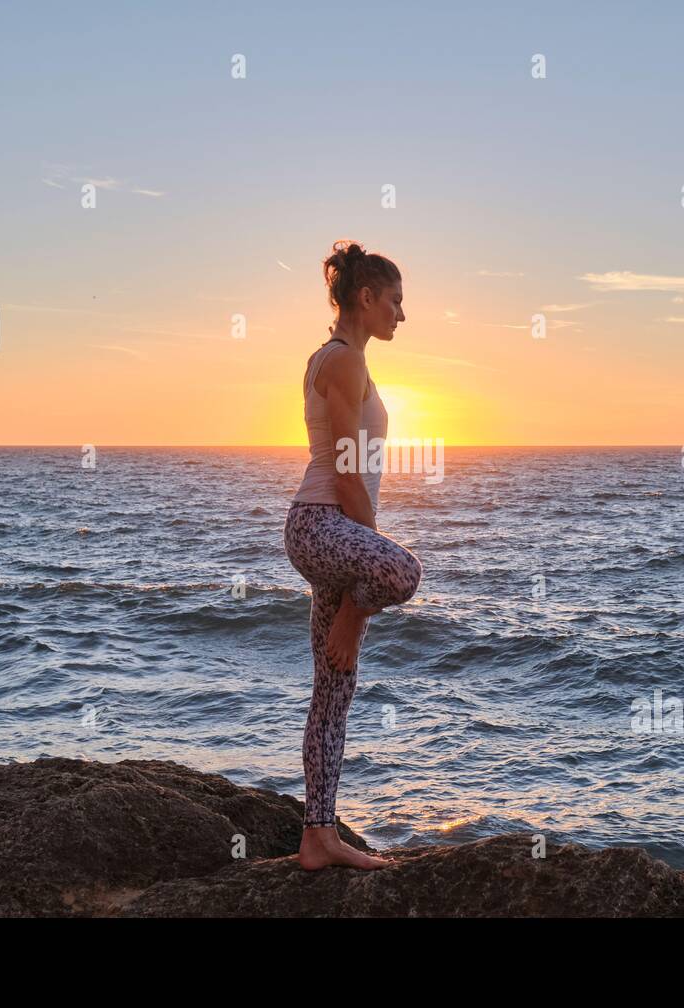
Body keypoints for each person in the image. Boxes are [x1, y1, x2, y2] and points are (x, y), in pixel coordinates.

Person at [283, 240, 422, 870]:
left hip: (333, 532)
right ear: (365, 298)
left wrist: (361, 548)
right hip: (321, 523)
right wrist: (356, 604)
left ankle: (318, 836)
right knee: (403, 569)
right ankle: (351, 618)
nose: (401, 314)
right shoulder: (342, 362)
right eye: (395, 301)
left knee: (333, 690)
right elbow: (343, 474)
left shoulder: (344, 360)